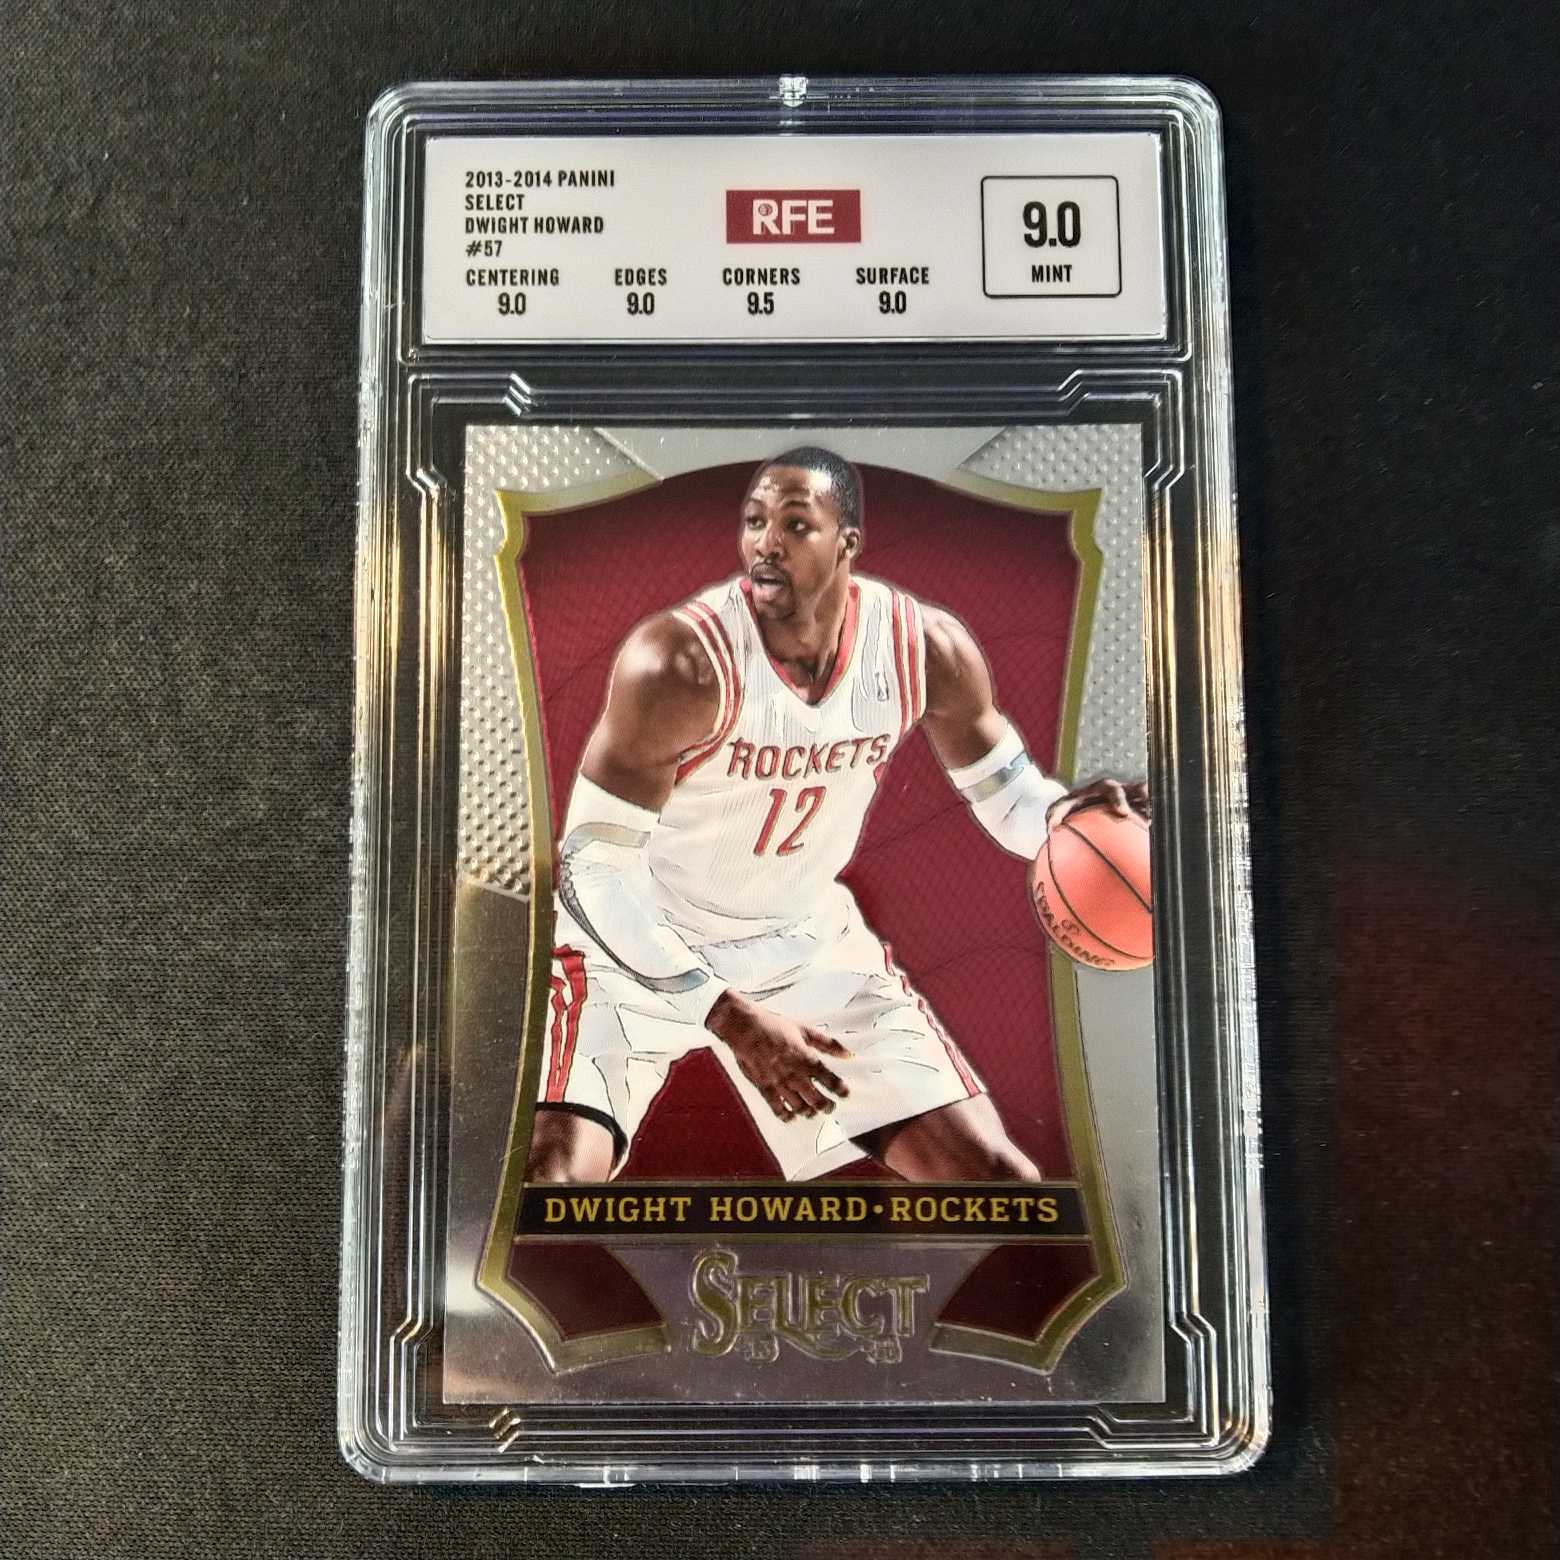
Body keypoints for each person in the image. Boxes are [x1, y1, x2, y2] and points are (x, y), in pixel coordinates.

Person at [529, 447, 1148, 1184]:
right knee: (548, 1187)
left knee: (1001, 1188)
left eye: (795, 524)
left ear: (847, 542)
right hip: (638, 946)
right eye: (754, 521)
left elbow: (1012, 798)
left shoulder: (923, 649)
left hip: (801, 946)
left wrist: (1063, 817)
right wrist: (726, 1015)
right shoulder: (679, 663)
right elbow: (591, 870)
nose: (766, 543)